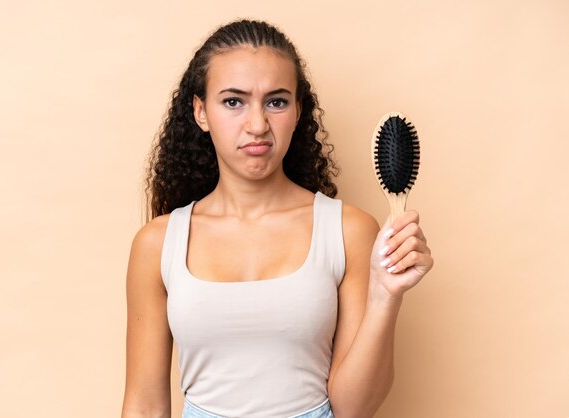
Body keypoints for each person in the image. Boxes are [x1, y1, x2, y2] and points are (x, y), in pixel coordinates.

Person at [121, 19, 434, 418]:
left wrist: (385, 296)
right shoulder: (157, 243)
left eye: (277, 101)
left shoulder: (349, 231)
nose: (257, 125)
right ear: (200, 111)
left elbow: (354, 408)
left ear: (298, 110)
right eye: (233, 101)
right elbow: (144, 406)